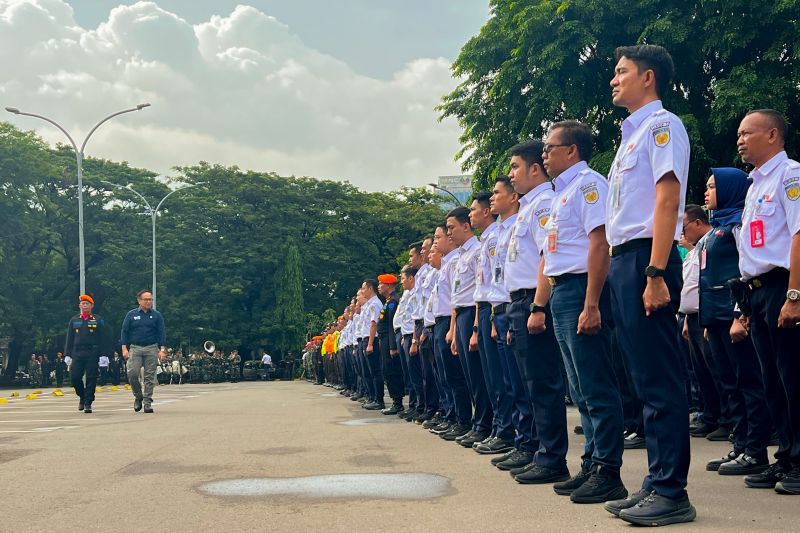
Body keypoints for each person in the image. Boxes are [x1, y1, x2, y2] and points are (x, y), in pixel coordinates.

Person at [602, 44, 696, 525]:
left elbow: (668, 200)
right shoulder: (630, 137)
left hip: (646, 261)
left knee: (660, 380)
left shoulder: (663, 127)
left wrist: (657, 272)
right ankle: (656, 480)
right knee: (641, 380)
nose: (614, 79)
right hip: (625, 261)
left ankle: (672, 491)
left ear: (649, 77)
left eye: (622, 72)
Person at [536, 120, 627, 503]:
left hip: (580, 292)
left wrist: (592, 303)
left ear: (572, 150)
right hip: (562, 292)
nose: (544, 154)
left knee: (596, 385)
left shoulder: (590, 184)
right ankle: (591, 462)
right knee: (578, 386)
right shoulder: (563, 191)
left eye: (550, 147)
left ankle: (608, 470)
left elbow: (599, 243)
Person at [734, 109, 800, 495]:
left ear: (772, 134)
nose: (740, 139)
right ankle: (786, 457)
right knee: (771, 380)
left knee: (793, 377)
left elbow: (797, 236)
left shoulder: (790, 175)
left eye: (747, 133)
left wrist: (794, 295)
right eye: (739, 134)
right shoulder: (755, 184)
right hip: (756, 291)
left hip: (781, 287)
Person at [501, 139, 569, 484]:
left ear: (534, 169)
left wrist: (538, 306)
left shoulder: (544, 204)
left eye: (515, 167)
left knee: (543, 383)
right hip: (520, 301)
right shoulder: (530, 206)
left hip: (532, 298)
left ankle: (552, 457)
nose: (511, 175)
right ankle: (539, 450)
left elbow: (548, 258)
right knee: (530, 383)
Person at [698, 169, 772, 476]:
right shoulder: (717, 227)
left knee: (748, 382)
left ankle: (755, 450)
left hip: (734, 317)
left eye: (713, 186)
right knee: (729, 383)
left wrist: (740, 313)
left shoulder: (738, 223)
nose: (707, 192)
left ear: (730, 190)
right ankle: (740, 444)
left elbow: (744, 271)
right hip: (715, 318)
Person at [447, 205, 494, 448]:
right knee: (469, 374)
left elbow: (480, 290)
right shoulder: (461, 255)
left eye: (452, 228)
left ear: (466, 226)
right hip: (462, 315)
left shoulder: (477, 250)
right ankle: (480, 424)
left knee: (479, 376)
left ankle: (485, 424)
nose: (449, 233)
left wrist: (475, 328)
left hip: (474, 313)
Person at [120, 289, 167, 414]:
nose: (148, 302)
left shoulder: (156, 315)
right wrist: (124, 348)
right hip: (135, 348)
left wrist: (162, 349)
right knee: (132, 373)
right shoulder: (131, 314)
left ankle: (147, 402)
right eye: (146, 299)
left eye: (150, 299)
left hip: (151, 348)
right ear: (139, 301)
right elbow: (124, 332)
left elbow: (161, 333)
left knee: (149, 377)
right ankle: (138, 396)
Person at [63, 294, 111, 413]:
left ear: (92, 306)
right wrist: (67, 354)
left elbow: (103, 338)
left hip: (92, 352)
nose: (84, 306)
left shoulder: (97, 319)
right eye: (83, 304)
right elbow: (69, 338)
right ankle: (82, 396)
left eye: (87, 304)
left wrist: (104, 354)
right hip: (77, 352)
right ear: (79, 305)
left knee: (91, 378)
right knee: (74, 378)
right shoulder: (74, 320)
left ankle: (88, 402)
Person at [376, 273, 404, 414]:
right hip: (385, 340)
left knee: (392, 371)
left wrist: (392, 346)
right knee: (387, 370)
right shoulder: (388, 301)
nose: (379, 287)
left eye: (381, 284)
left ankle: (397, 403)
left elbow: (392, 325)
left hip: (389, 339)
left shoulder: (393, 301)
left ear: (388, 285)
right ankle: (395, 401)